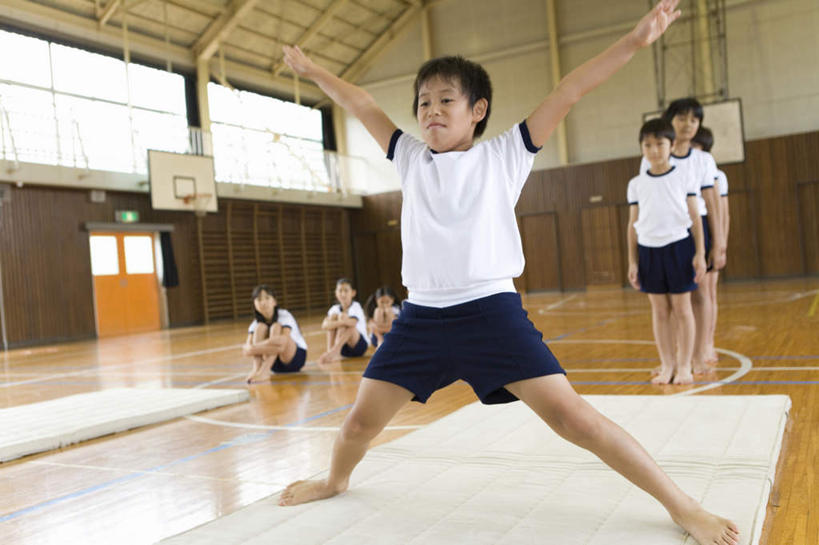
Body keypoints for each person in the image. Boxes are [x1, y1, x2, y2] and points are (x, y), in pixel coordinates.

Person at [279, 2, 739, 543]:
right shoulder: (408, 156)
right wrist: (312, 70)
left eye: (445, 99)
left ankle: (683, 506)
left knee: (574, 419)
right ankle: (335, 480)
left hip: (490, 315)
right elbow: (360, 101)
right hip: (420, 318)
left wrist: (636, 41)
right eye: (423, 101)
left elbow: (571, 89)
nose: (431, 110)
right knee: (360, 422)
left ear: (478, 110)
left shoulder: (506, 154)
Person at [641, 99, 725, 375]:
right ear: (670, 121)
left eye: (693, 119)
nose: (687, 124)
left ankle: (699, 354)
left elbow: (712, 202)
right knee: (672, 301)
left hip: (697, 228)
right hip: (664, 231)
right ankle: (675, 358)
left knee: (699, 294)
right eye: (681, 118)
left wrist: (719, 242)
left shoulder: (703, 160)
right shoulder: (652, 157)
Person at [627, 119, 706, 385]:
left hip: (679, 247)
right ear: (642, 148)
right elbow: (632, 225)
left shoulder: (684, 176)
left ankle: (684, 366)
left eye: (660, 144)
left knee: (682, 309)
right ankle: (667, 365)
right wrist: (632, 261)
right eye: (647, 145)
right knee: (660, 311)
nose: (654, 150)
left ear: (671, 145)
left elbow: (695, 218)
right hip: (648, 250)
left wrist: (700, 254)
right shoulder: (636, 184)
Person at [691, 126, 728, 365]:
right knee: (688, 297)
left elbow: (722, 212)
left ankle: (707, 343)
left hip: (709, 235)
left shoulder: (715, 174)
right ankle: (691, 347)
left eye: (697, 146)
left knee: (708, 293)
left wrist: (720, 242)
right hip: (689, 233)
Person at [243, 285, 307, 383]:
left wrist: (255, 347)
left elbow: (283, 342)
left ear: (274, 302)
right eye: (259, 300)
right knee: (260, 327)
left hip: (294, 358)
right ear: (254, 304)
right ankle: (256, 369)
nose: (263, 302)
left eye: (267, 298)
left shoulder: (284, 315)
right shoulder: (255, 324)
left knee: (275, 327)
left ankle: (265, 371)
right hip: (275, 365)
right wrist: (251, 348)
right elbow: (246, 350)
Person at [318, 278, 370, 364]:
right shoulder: (334, 309)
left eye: (346, 291)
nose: (343, 294)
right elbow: (324, 325)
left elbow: (353, 323)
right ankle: (330, 351)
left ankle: (335, 351)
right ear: (336, 293)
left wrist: (339, 322)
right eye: (340, 291)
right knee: (333, 318)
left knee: (344, 319)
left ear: (353, 293)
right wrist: (338, 322)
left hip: (358, 345)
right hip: (344, 347)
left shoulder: (356, 306)